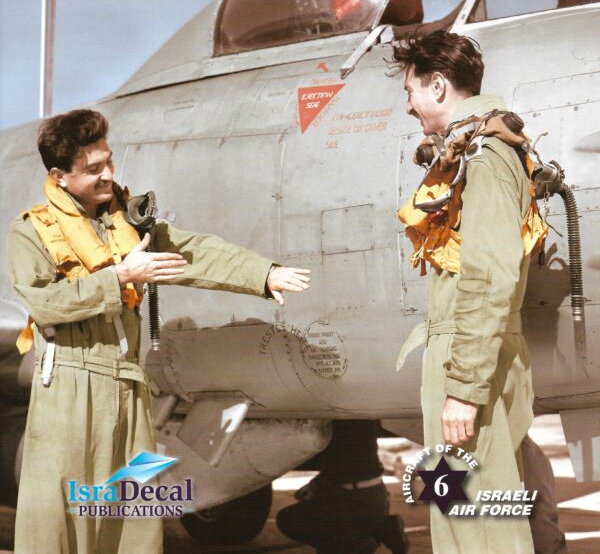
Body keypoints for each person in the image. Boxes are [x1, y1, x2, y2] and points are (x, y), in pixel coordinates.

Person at [7, 108, 311, 554]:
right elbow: (45, 303)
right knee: (61, 522)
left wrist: (263, 274)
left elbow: (193, 252)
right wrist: (120, 278)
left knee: (133, 520)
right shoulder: (32, 231)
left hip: (129, 388)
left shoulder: (128, 223)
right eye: (93, 169)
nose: (108, 174)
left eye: (109, 161)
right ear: (60, 176)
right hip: (69, 389)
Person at [393, 30, 565, 554]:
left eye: (411, 92)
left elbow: (489, 277)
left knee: (477, 529)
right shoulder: (478, 149)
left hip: (469, 360)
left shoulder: (485, 156)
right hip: (470, 353)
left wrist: (464, 389)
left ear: (438, 86)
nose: (409, 106)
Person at [276, 420, 409, 554]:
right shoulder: (357, 418)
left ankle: (360, 544)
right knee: (325, 533)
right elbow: (348, 462)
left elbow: (343, 464)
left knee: (289, 520)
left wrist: (317, 485)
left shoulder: (340, 422)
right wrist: (316, 484)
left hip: (354, 501)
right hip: (374, 497)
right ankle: (380, 530)